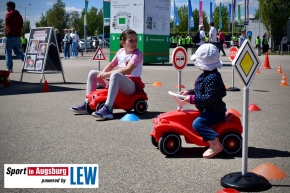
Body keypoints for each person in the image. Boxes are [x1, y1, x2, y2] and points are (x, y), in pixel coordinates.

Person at [70, 29, 144, 120]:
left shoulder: (137, 54)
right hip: (117, 80)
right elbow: (111, 65)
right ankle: (87, 104)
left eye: (136, 40)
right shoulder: (120, 52)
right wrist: (102, 73)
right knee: (93, 73)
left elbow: (127, 70)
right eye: (131, 40)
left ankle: (108, 109)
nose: (134, 43)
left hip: (132, 85)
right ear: (123, 42)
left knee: (115, 75)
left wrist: (107, 74)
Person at [180, 43, 226, 159]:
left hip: (215, 111)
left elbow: (210, 97)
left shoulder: (213, 78)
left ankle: (215, 143)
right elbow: (201, 90)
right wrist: (189, 92)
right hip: (209, 109)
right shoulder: (208, 75)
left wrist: (192, 99)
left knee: (197, 123)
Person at [4, 1, 24, 73]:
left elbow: (7, 26)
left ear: (10, 7)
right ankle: (27, 63)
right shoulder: (20, 16)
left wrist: (5, 34)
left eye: (7, 7)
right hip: (17, 36)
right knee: (17, 52)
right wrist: (19, 34)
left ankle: (9, 68)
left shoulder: (9, 14)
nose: (6, 8)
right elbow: (21, 27)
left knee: (8, 52)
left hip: (10, 36)